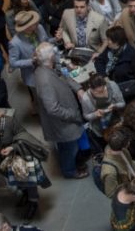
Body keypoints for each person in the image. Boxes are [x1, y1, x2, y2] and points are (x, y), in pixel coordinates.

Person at [0, 108, 49, 220]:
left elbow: (24, 135)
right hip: (3, 162)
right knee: (17, 182)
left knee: (29, 180)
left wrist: (12, 147)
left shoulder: (9, 122)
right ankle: (25, 193)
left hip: (20, 157)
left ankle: (33, 202)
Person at [33, 42, 87, 179]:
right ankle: (69, 171)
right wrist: (73, 114)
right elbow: (53, 109)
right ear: (51, 57)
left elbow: (65, 76)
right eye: (54, 52)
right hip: (63, 123)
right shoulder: (45, 80)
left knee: (66, 146)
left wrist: (78, 89)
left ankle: (70, 164)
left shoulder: (48, 67)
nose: (57, 54)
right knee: (70, 148)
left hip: (65, 119)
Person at [79, 74, 125, 151]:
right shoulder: (86, 98)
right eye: (97, 92)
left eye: (102, 90)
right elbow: (86, 115)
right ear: (90, 88)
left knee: (122, 141)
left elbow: (122, 103)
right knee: (109, 147)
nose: (100, 94)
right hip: (100, 127)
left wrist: (115, 105)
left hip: (116, 121)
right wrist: (95, 114)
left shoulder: (112, 85)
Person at [98, 127, 135, 199]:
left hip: (131, 182)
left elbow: (130, 162)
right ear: (126, 144)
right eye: (128, 141)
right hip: (128, 193)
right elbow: (110, 194)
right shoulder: (109, 172)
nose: (129, 142)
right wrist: (131, 187)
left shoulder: (120, 150)